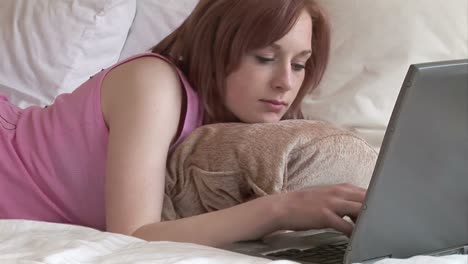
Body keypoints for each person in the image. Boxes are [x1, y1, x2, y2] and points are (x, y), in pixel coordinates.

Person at [0, 0, 366, 247]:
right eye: (265, 57)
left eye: (299, 64)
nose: (285, 82)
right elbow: (133, 235)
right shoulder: (153, 84)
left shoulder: (246, 123)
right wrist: (281, 209)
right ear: (217, 47)